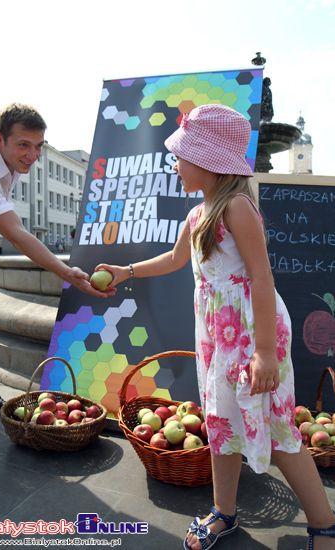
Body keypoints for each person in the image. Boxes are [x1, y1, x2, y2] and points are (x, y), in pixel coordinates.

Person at [96, 105, 335, 550]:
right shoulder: (197, 214)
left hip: (253, 334)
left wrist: (264, 352)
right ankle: (225, 511)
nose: (175, 164)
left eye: (181, 156)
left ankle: (325, 523)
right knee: (221, 424)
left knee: (280, 431)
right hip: (217, 337)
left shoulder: (237, 208)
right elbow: (172, 260)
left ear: (207, 160)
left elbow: (263, 278)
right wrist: (126, 270)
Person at [0, 102, 116, 440]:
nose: (33, 155)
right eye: (24, 145)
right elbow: (16, 235)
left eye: (39, 146)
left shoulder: (9, 154)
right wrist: (67, 273)